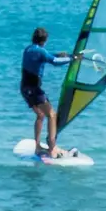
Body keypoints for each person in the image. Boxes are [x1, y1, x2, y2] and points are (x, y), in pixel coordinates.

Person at [20, 27, 74, 158]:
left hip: (24, 89)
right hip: (34, 89)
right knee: (52, 115)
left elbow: (46, 56)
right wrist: (73, 59)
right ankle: (52, 148)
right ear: (44, 40)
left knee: (40, 115)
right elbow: (54, 62)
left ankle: (37, 147)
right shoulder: (41, 51)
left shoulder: (28, 49)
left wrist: (59, 54)